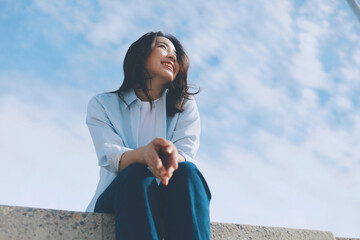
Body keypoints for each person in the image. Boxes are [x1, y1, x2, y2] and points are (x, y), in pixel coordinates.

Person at [85, 31, 211, 240]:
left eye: (175, 54)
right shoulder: (102, 105)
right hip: (117, 199)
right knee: (138, 173)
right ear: (141, 55)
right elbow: (111, 156)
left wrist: (171, 155)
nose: (172, 56)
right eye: (163, 47)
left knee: (188, 171)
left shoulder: (185, 106)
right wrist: (146, 155)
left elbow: (186, 154)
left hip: (169, 200)